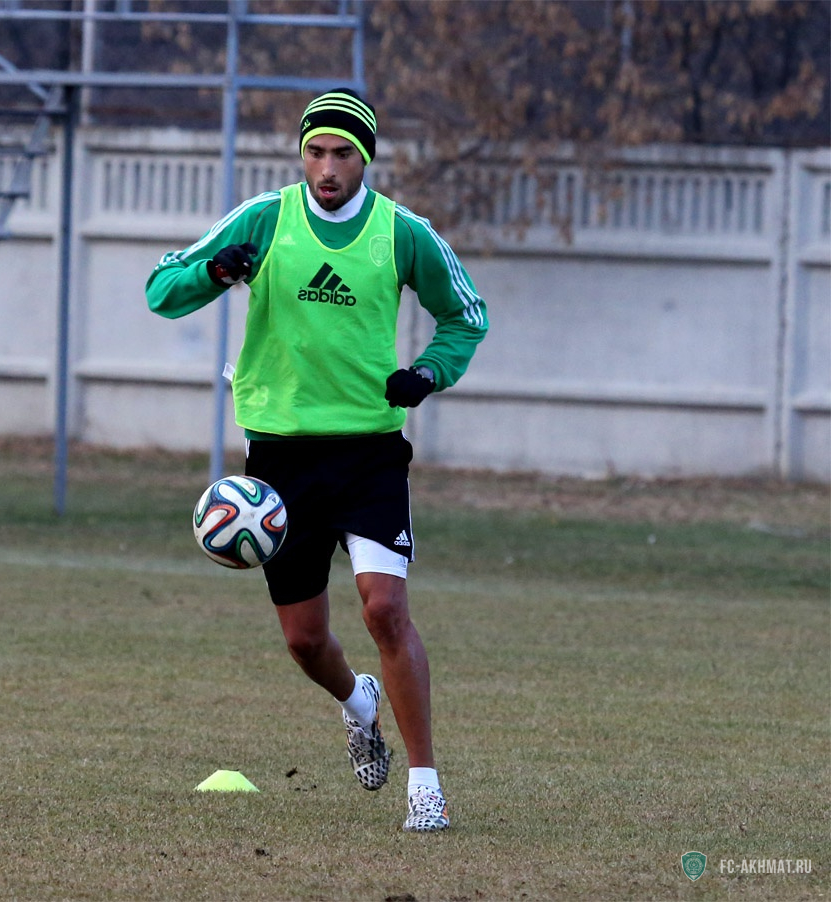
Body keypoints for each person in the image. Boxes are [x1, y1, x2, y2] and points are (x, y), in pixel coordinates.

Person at [146, 88, 488, 832]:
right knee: (304, 641)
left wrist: (428, 372)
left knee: (384, 609)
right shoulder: (264, 219)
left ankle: (425, 786)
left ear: (365, 159)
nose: (327, 167)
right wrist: (213, 274)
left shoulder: (403, 233)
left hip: (369, 453)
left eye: (342, 154)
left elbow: (467, 315)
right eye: (315, 151)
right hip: (280, 461)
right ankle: (358, 702)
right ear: (301, 154)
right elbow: (161, 289)